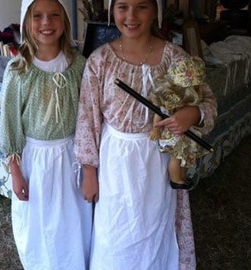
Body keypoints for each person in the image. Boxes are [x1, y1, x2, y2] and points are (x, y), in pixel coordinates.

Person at [74, 0, 217, 269]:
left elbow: (208, 103)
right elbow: (87, 119)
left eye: (142, 6)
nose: (131, 16)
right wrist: (89, 171)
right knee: (115, 231)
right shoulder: (100, 60)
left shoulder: (176, 58)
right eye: (122, 7)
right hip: (115, 161)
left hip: (159, 161)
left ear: (156, 12)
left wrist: (194, 114)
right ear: (111, 11)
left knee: (155, 223)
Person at [0, 0, 92, 269]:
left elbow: (87, 118)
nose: (46, 23)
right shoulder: (19, 71)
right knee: (40, 222)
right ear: (27, 22)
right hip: (35, 162)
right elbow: (10, 123)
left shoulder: (79, 66)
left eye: (54, 15)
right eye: (37, 16)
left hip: (71, 157)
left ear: (64, 21)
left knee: (72, 220)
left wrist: (88, 168)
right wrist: (16, 172)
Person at [149, 56, 210, 190]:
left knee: (182, 157)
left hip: (182, 133)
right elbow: (159, 113)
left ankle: (181, 177)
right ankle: (176, 179)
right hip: (173, 133)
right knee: (176, 157)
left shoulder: (186, 98)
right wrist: (156, 129)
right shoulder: (170, 99)